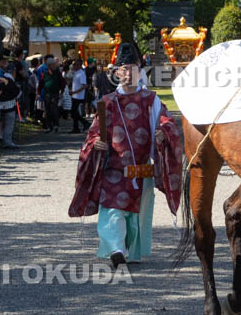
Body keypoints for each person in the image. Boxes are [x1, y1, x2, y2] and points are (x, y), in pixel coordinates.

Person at [68, 43, 184, 268]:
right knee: (112, 211)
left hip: (140, 170)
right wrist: (97, 144)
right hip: (114, 168)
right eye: (125, 68)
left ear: (140, 71)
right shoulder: (107, 102)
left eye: (133, 68)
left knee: (134, 217)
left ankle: (128, 250)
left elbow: (167, 122)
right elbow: (92, 135)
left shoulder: (151, 100)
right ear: (117, 72)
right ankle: (116, 249)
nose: (129, 73)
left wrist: (163, 133)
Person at [70, 59, 89, 133]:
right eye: (73, 64)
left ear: (80, 65)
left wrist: (75, 92)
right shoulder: (75, 73)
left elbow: (84, 85)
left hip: (79, 96)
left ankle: (85, 123)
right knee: (74, 113)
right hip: (75, 95)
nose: (74, 66)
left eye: (76, 64)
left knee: (74, 112)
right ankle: (76, 127)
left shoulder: (81, 73)